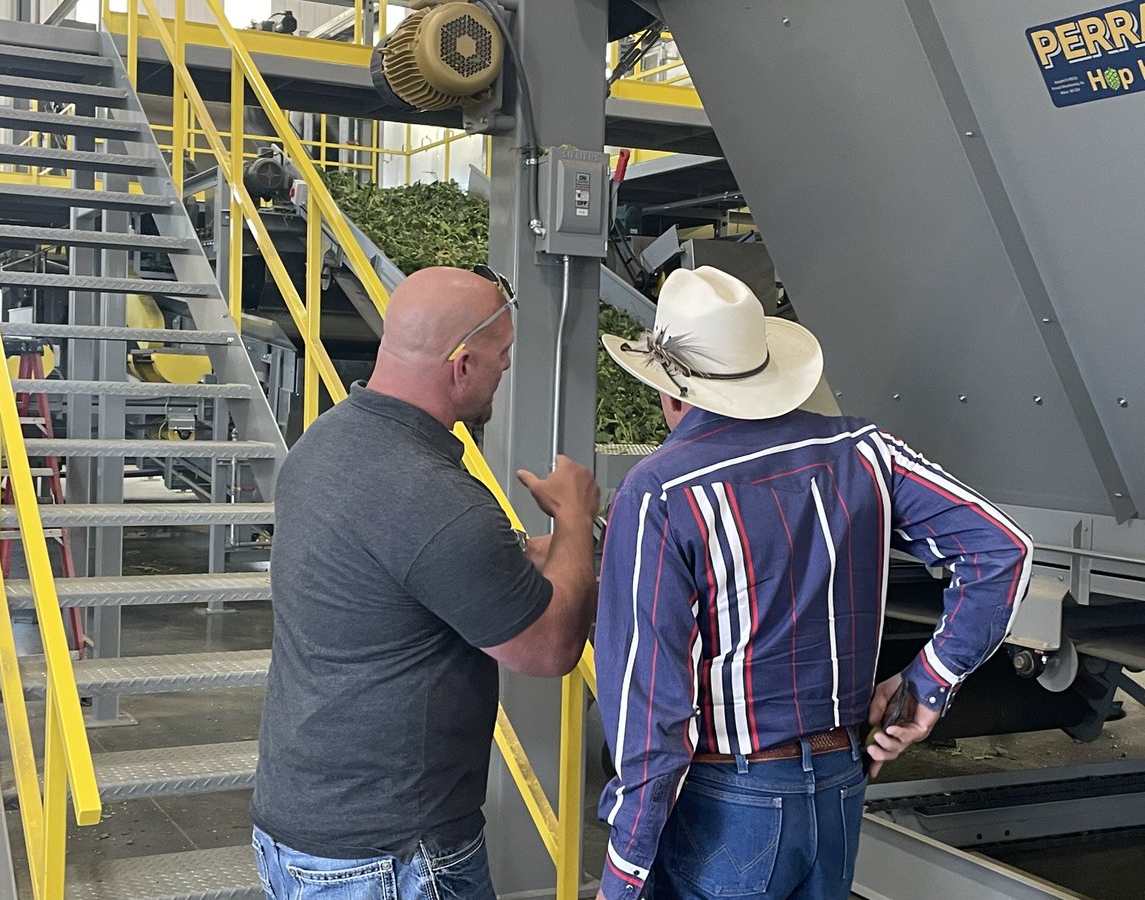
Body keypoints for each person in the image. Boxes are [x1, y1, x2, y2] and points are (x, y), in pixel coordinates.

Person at [594, 266, 1033, 900]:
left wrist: (624, 872)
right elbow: (1004, 551)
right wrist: (929, 685)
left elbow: (650, 711)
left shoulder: (660, 494)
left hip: (729, 802)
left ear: (669, 392)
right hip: (840, 785)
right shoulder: (865, 451)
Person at [251, 265, 600, 899]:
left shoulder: (324, 446)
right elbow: (548, 649)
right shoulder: (439, 499)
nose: (507, 369)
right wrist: (575, 517)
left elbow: (439, 571)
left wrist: (580, 549)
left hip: (302, 829)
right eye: (503, 356)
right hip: (393, 855)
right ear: (462, 365)